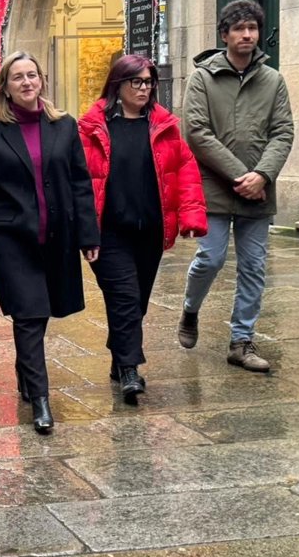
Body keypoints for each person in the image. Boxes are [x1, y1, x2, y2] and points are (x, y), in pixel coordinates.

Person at [0, 51, 99, 434]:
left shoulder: (64, 126)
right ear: (5, 88)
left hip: (57, 236)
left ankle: (26, 369)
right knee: (28, 313)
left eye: (32, 75)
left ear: (42, 80)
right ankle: (41, 399)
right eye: (18, 77)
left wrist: (88, 234)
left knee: (41, 313)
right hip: (11, 238)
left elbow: (80, 183)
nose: (26, 82)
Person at [79, 55, 207, 402]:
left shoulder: (162, 125)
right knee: (124, 297)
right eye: (136, 81)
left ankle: (119, 353)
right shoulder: (93, 127)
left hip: (150, 230)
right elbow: (80, 181)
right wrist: (82, 229)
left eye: (149, 82)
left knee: (137, 302)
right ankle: (129, 370)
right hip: (109, 232)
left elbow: (185, 170)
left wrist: (192, 217)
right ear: (117, 85)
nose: (144, 88)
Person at [178, 0, 294, 372]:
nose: (247, 35)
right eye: (239, 29)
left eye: (253, 28)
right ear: (224, 34)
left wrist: (262, 175)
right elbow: (197, 133)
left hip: (258, 191)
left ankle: (241, 341)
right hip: (213, 188)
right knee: (210, 258)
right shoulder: (202, 78)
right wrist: (242, 176)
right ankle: (190, 309)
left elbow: (283, 132)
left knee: (254, 266)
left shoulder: (273, 80)